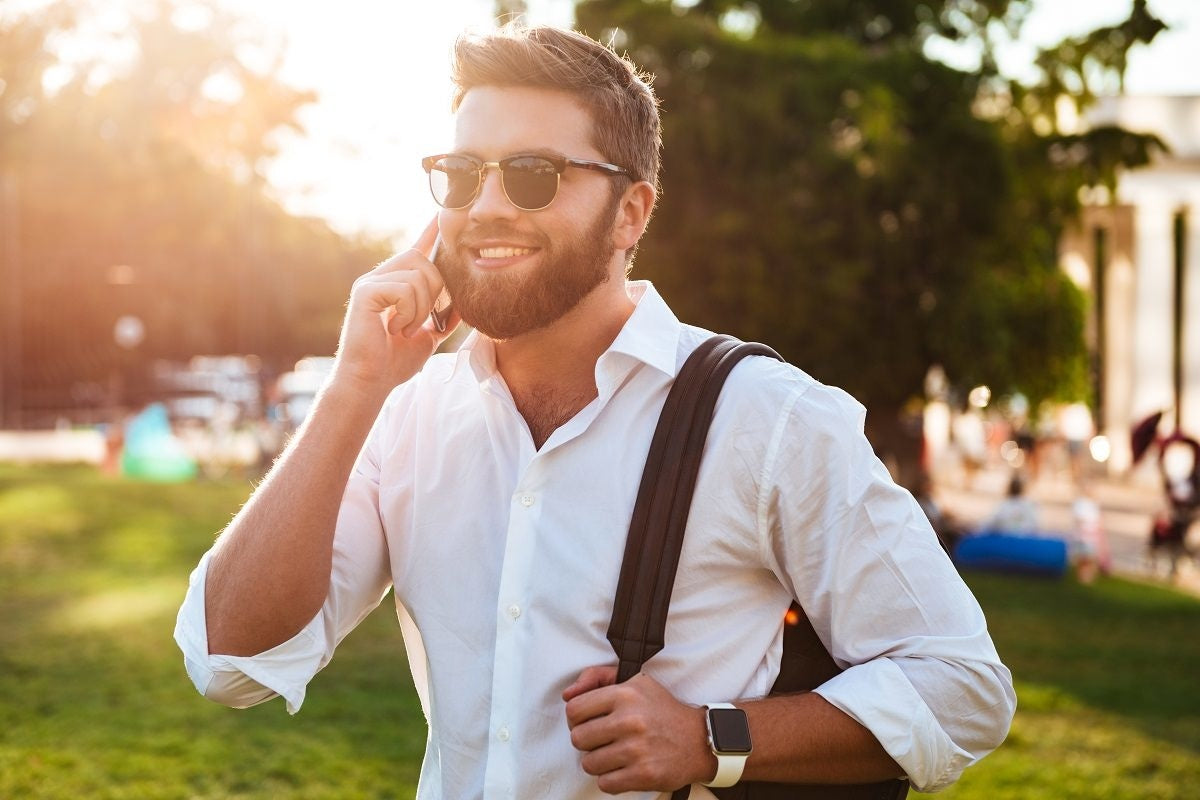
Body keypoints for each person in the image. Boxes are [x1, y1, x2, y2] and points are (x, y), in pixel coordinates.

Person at [174, 24, 1014, 799]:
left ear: (632, 213)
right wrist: (354, 389)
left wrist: (710, 737)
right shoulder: (405, 417)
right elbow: (233, 664)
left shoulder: (770, 417)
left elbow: (961, 685)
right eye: (463, 174)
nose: (489, 206)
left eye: (535, 174)